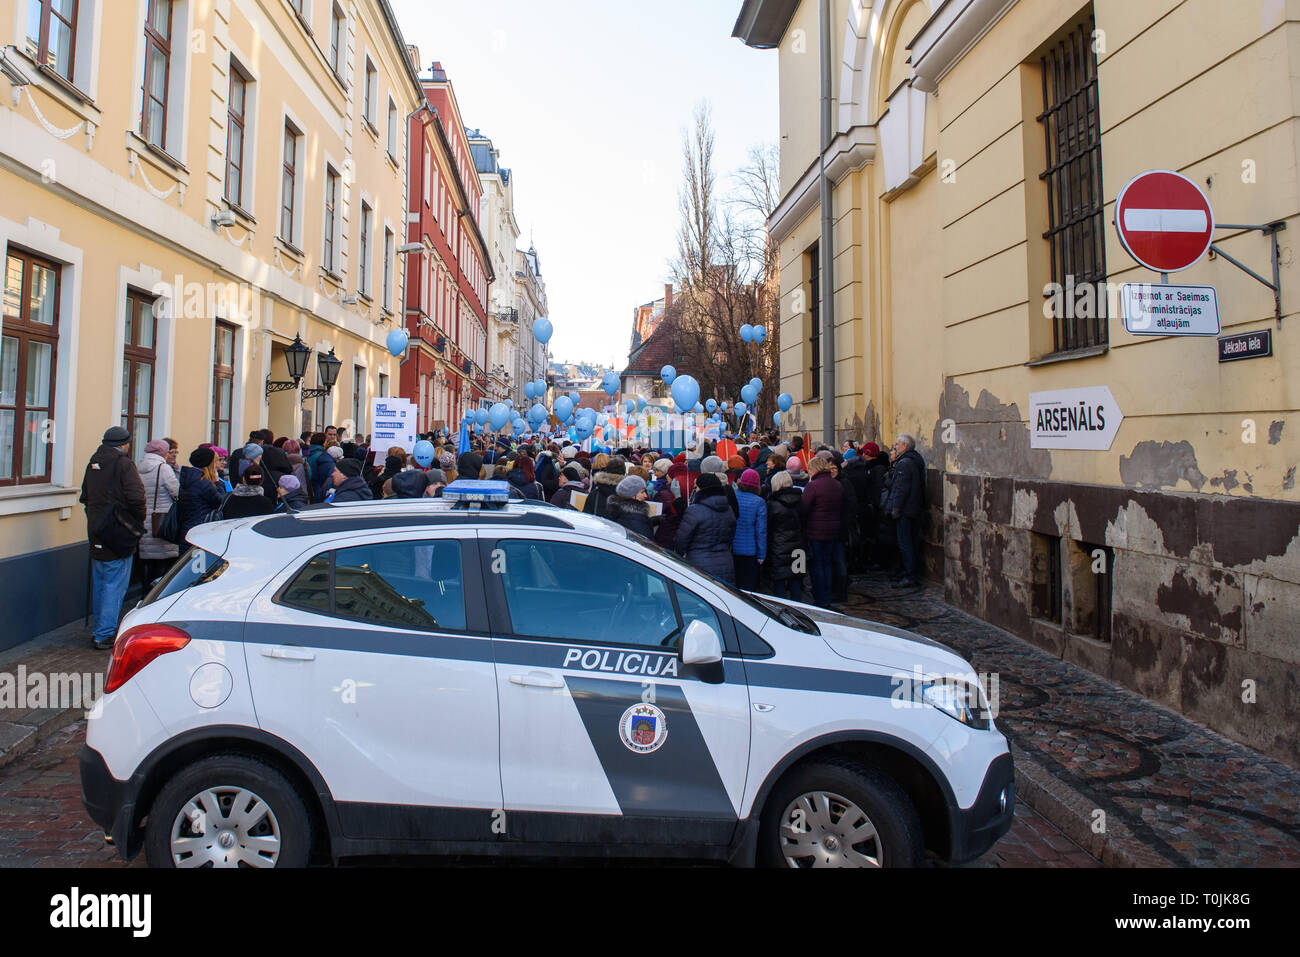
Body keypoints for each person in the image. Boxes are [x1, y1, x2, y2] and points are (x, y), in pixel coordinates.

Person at [80, 427, 146, 649]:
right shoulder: (123, 464)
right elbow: (137, 498)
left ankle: (100, 628)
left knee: (101, 581)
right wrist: (135, 522)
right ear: (125, 444)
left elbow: (85, 497)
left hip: (96, 529)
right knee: (114, 583)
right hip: (117, 531)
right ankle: (105, 633)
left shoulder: (93, 462)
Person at [675, 473, 737, 585]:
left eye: (697, 487)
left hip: (699, 564)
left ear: (702, 489)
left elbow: (681, 539)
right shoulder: (729, 509)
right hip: (726, 562)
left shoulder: (694, 510)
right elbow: (731, 536)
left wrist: (680, 554)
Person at [800, 456, 843, 608]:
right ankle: (827, 595)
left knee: (817, 565)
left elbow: (804, 508)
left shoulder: (813, 486)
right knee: (827, 564)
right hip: (833, 531)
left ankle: (820, 598)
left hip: (815, 531)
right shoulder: (837, 484)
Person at [885, 434, 927, 588]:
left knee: (905, 543)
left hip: (905, 510)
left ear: (904, 446)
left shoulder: (904, 464)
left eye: (897, 444)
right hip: (913, 508)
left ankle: (910, 574)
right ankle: (906, 571)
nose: (895, 446)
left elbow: (900, 489)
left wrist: (895, 508)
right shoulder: (914, 461)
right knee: (909, 542)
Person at [137, 438, 180, 587]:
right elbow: (176, 493)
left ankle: (144, 595)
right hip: (161, 521)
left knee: (147, 565)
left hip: (144, 519)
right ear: (163, 452)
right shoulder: (163, 469)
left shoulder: (139, 467)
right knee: (162, 567)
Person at [766, 470, 805, 602]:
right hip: (799, 546)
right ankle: (798, 607)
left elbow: (769, 526)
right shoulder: (801, 500)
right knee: (796, 582)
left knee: (779, 583)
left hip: (779, 547)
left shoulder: (772, 504)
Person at [178, 448, 224, 543]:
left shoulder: (186, 477)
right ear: (209, 464)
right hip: (200, 528)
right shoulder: (203, 483)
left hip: (186, 528)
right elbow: (221, 501)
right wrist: (218, 483)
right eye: (215, 461)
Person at [732, 469, 767, 591]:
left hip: (733, 548)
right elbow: (761, 530)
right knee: (748, 589)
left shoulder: (734, 498)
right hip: (750, 550)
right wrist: (762, 554)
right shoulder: (759, 502)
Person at [604, 474, 657, 539]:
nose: (645, 495)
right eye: (642, 492)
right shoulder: (634, 519)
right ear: (632, 495)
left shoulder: (620, 511)